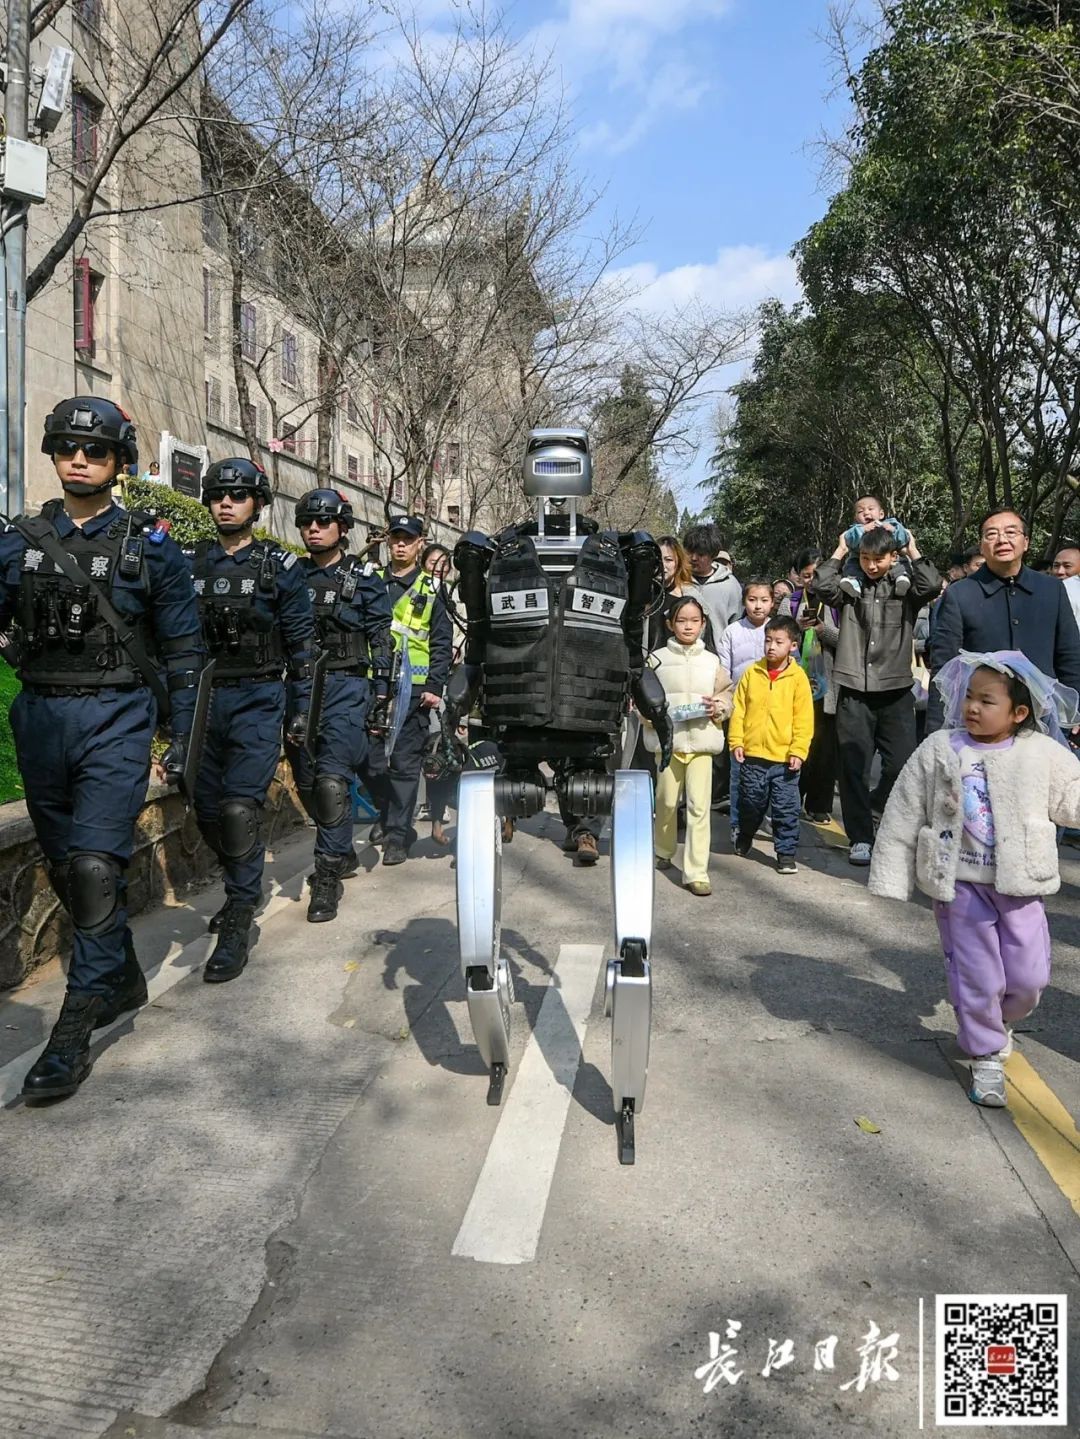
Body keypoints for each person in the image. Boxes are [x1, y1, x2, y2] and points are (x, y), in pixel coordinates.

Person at [0, 396, 203, 1099]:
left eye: (95, 450)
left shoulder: (151, 547)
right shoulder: (19, 541)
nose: (79, 459)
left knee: (93, 867)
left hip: (116, 717)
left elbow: (184, 651)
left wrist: (180, 737)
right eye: (67, 447)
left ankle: (72, 1031)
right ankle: (121, 977)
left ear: (119, 461)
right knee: (66, 868)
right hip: (39, 718)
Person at [870, 652, 1080, 1107]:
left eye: (987, 701)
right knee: (978, 975)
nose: (972, 707)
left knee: (1029, 977)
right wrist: (891, 872)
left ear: (1018, 713)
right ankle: (984, 1054)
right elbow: (904, 808)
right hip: (960, 885)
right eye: (969, 696)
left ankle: (996, 1020)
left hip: (1021, 884)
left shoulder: (1040, 752)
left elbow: (1073, 797)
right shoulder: (942, 748)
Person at [188, 458, 314, 980]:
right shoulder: (189, 562)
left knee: (239, 809)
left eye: (238, 495)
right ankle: (239, 881)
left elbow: (302, 647)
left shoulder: (278, 567)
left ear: (257, 504)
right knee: (206, 810)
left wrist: (301, 710)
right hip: (203, 700)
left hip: (259, 697)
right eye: (218, 494)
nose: (226, 502)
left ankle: (240, 912)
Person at [286, 489, 393, 922]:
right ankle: (342, 849)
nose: (313, 529)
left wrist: (381, 694)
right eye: (306, 522)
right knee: (307, 782)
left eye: (323, 521)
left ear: (342, 528)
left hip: (347, 687)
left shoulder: (364, 578)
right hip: (300, 687)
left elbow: (381, 638)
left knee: (332, 782)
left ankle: (327, 876)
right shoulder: (290, 576)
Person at [814, 525, 941, 867]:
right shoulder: (849, 588)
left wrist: (912, 547)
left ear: (892, 556)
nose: (871, 566)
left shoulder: (905, 588)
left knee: (900, 764)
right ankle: (860, 837)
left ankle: (878, 807)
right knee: (853, 768)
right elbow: (821, 585)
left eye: (879, 559)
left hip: (896, 690)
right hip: (854, 690)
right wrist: (841, 549)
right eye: (866, 558)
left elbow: (932, 585)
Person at [928, 508, 1080, 732]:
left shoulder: (1052, 589)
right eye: (991, 534)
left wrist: (1076, 712)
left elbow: (1070, 655)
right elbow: (945, 664)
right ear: (982, 546)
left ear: (1026, 542)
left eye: (1011, 532)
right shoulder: (960, 594)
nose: (1001, 540)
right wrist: (936, 728)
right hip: (981, 722)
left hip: (1042, 717)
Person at [371, 515, 453, 865]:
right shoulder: (372, 581)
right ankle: (386, 812)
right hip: (372, 684)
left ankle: (397, 835)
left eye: (408, 539)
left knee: (405, 765)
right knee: (369, 761)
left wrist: (434, 685)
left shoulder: (432, 589)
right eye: (396, 538)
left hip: (415, 689)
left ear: (420, 543)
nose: (401, 545)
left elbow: (441, 641)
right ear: (388, 542)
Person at [645, 596, 733, 896]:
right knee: (666, 802)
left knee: (699, 807)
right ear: (670, 624)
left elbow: (727, 694)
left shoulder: (712, 661)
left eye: (694, 621)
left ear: (703, 624)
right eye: (681, 620)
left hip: (702, 743)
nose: (688, 626)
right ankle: (663, 849)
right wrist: (653, 717)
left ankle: (696, 872)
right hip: (668, 745)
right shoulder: (656, 660)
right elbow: (642, 699)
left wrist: (718, 707)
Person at [729, 615, 814, 873]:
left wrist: (798, 750)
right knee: (750, 803)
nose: (771, 647)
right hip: (753, 756)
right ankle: (745, 834)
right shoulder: (752, 673)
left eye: (779, 642)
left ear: (793, 646)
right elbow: (739, 710)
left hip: (784, 760)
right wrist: (736, 741)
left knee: (786, 808)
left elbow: (804, 719)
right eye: (768, 640)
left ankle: (785, 853)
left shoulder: (798, 679)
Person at [780, 549, 840, 824]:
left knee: (825, 749)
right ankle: (792, 800)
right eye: (806, 576)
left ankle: (819, 804)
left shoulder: (838, 602)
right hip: (796, 685)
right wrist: (799, 627)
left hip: (829, 685)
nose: (812, 582)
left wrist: (822, 630)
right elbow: (780, 637)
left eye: (817, 575)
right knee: (797, 745)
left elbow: (846, 640)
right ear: (797, 575)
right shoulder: (790, 602)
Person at [716, 577, 772, 842]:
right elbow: (724, 673)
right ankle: (738, 823)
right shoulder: (732, 632)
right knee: (738, 769)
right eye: (752, 600)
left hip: (773, 712)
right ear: (744, 602)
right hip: (740, 710)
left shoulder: (779, 630)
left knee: (772, 768)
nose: (758, 606)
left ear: (772, 603)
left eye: (764, 600)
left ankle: (767, 818)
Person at [648, 535, 717, 653]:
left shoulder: (690, 596)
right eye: (658, 559)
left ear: (678, 563)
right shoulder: (641, 593)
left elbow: (704, 639)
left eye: (668, 560)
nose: (662, 565)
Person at [837, 495, 913, 599]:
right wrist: (863, 530)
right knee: (852, 563)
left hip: (889, 557)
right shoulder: (856, 529)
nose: (866, 513)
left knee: (900, 560)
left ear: (881, 514)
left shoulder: (891, 523)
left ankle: (902, 578)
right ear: (856, 517)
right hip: (860, 558)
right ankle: (853, 582)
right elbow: (848, 540)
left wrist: (893, 530)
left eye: (870, 509)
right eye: (860, 511)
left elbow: (904, 538)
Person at [682, 522, 742, 635]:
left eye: (701, 554)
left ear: (713, 555)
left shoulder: (730, 584)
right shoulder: (678, 581)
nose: (694, 558)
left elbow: (737, 623)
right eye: (690, 552)